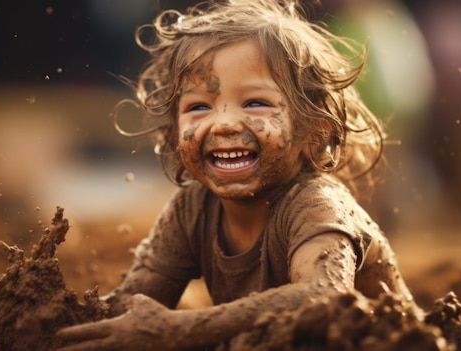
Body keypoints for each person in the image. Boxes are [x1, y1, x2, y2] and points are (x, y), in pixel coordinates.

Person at [57, 0, 418, 349]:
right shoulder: (191, 209)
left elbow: (325, 295)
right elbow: (131, 305)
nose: (225, 123)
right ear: (173, 132)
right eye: (198, 106)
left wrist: (175, 329)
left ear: (316, 132)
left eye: (255, 103)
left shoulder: (315, 205)